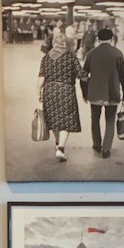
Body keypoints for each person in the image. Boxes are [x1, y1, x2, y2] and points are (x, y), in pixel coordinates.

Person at [80, 26, 124, 158]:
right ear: (111, 39)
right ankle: (106, 149)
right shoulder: (117, 53)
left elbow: (83, 76)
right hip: (112, 92)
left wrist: (85, 93)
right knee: (110, 120)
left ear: (98, 39)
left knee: (95, 119)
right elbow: (123, 76)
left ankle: (97, 145)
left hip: (94, 93)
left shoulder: (91, 53)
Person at [38, 24, 83, 162]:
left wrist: (39, 94)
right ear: (65, 44)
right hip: (66, 91)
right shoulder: (70, 56)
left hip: (49, 91)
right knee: (66, 121)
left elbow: (40, 79)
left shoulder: (46, 58)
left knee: (54, 120)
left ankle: (58, 144)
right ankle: (61, 148)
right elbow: (81, 74)